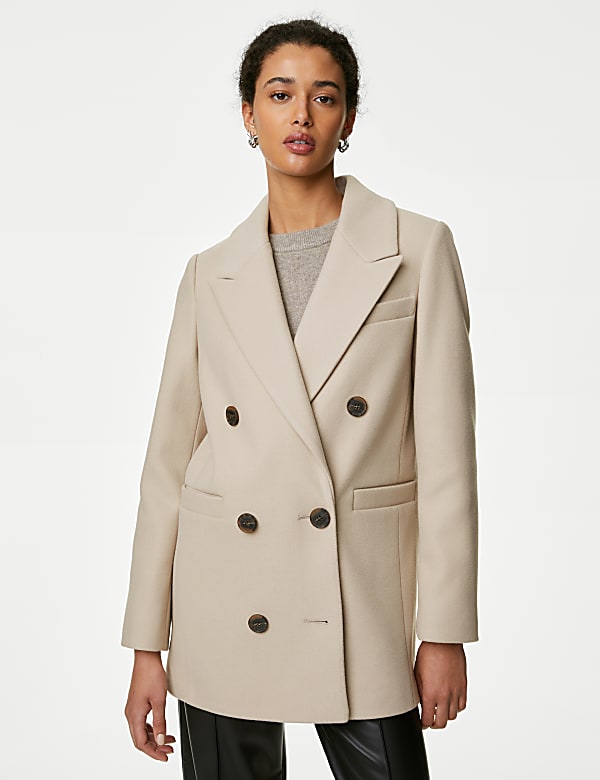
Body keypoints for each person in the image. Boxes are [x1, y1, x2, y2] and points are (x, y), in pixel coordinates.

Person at [121, 17, 479, 780]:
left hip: (355, 598)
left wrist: (444, 629)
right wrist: (148, 644)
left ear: (347, 119)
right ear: (249, 115)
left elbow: (449, 458)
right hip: (224, 598)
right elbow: (166, 468)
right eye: (280, 95)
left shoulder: (417, 249)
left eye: (325, 96)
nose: (302, 115)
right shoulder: (209, 273)